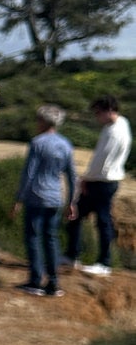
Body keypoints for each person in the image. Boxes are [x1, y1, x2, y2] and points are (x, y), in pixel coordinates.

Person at [13, 104, 77, 296]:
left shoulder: (37, 142)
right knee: (51, 238)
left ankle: (35, 280)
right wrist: (72, 201)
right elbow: (72, 175)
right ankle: (53, 282)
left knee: (33, 237)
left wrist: (18, 199)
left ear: (43, 121)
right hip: (55, 198)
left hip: (36, 196)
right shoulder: (65, 144)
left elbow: (29, 173)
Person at [65, 95, 130, 277]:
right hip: (106, 180)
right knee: (84, 217)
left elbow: (102, 162)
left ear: (108, 110)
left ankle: (103, 262)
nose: (96, 117)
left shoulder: (113, 132)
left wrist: (86, 179)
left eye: (98, 113)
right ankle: (74, 255)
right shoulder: (121, 124)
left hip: (102, 181)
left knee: (98, 221)